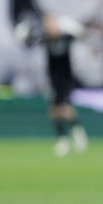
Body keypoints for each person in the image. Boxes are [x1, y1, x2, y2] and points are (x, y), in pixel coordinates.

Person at [15, 14, 89, 157]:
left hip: (66, 78)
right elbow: (27, 41)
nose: (50, 27)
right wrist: (23, 32)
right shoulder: (45, 38)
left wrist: (74, 26)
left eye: (52, 23)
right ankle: (64, 138)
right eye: (48, 24)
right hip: (53, 79)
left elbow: (83, 35)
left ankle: (76, 132)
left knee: (64, 108)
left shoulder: (66, 37)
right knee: (54, 110)